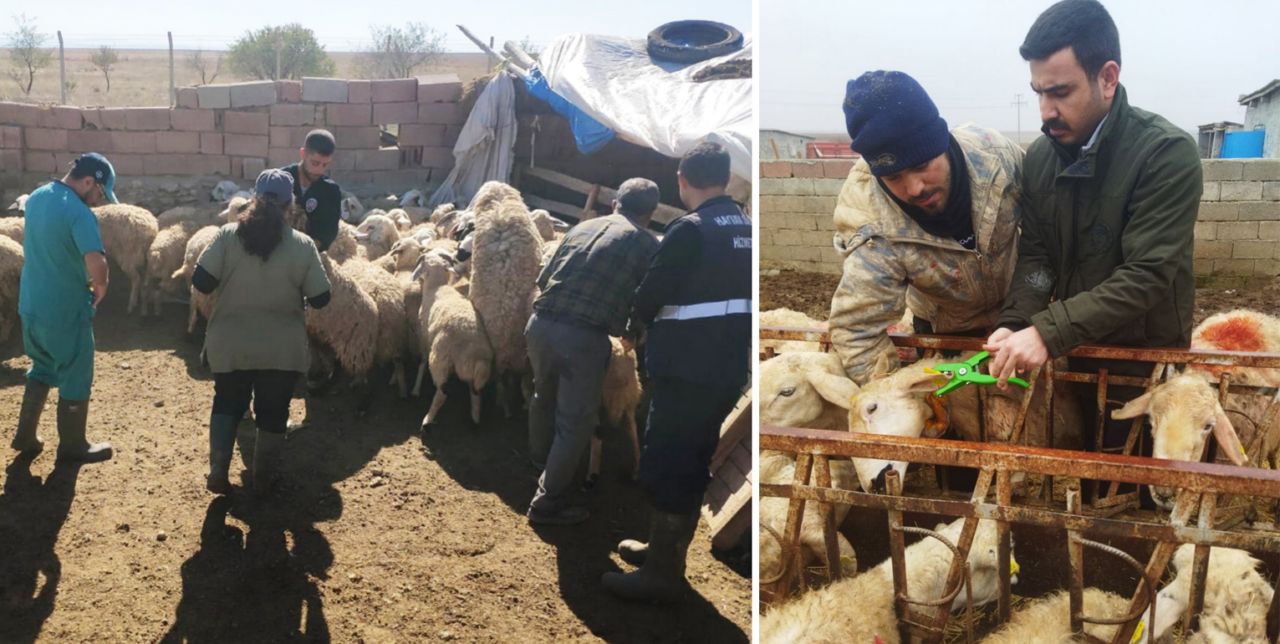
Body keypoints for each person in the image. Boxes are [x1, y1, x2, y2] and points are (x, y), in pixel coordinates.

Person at [984, 0, 1201, 498]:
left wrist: (1046, 331)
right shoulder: (1040, 159)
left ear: (1107, 77)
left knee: (1147, 487)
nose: (1046, 111)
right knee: (1090, 473)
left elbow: (1146, 275)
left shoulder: (1165, 154)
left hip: (1145, 358)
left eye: (1060, 92)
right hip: (1079, 351)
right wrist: (1017, 320)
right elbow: (1037, 260)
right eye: (1039, 92)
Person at [603, 142, 751, 601]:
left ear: (682, 181)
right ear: (725, 179)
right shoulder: (746, 227)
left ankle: (662, 577)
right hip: (723, 371)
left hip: (686, 368)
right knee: (690, 459)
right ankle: (661, 552)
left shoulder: (690, 229)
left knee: (669, 463)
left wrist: (631, 324)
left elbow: (652, 290)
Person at [829, 70, 1024, 385]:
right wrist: (899, 398)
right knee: (954, 424)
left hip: (1019, 319)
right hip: (944, 335)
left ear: (941, 142)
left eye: (922, 166)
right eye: (893, 177)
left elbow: (1047, 226)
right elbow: (857, 330)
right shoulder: (870, 222)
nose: (914, 188)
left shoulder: (996, 158)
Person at [525, 178, 661, 526]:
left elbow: (545, 278)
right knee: (576, 421)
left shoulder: (583, 227)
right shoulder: (646, 242)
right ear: (651, 213)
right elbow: (646, 297)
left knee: (543, 396)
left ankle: (541, 463)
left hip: (539, 324)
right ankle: (547, 503)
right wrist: (633, 332)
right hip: (583, 338)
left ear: (616, 202)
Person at [192, 169, 332, 494]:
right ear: (290, 204)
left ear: (254, 199)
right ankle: (264, 478)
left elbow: (201, 282)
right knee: (273, 411)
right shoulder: (302, 245)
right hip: (281, 350)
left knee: (227, 403)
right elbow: (322, 298)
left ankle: (218, 472)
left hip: (231, 344)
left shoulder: (227, 235)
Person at [11, 153, 118, 463]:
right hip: (64, 310)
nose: (98, 201)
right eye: (99, 193)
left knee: (42, 366)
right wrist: (102, 285)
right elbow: (96, 262)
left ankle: (26, 435)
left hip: (31, 305)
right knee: (75, 371)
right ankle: (73, 445)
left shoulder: (37, 197)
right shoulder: (79, 213)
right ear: (88, 181)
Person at [280, 129, 343, 252]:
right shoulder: (280, 181)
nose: (319, 170)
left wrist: (307, 249)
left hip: (309, 253)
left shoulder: (330, 192)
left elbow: (327, 233)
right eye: (315, 163)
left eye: (325, 165)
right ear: (303, 154)